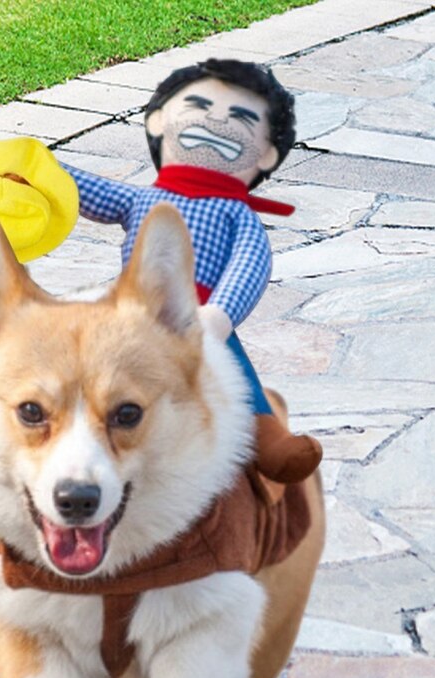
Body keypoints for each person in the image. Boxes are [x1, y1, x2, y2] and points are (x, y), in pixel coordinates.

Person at [61, 58, 322, 484]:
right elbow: (86, 190)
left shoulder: (236, 215)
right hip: (130, 313)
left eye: (239, 117)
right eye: (199, 105)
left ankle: (270, 439)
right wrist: (38, 172)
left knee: (234, 374)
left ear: (268, 153)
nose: (216, 120)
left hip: (201, 318)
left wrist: (219, 315)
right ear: (159, 121)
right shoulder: (141, 200)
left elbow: (249, 265)